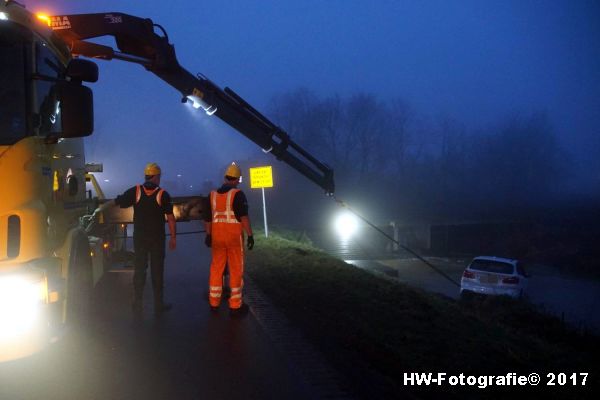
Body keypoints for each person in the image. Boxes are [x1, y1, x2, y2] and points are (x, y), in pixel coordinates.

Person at [94, 162, 176, 315]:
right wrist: (173, 237)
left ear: (146, 176)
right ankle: (159, 305)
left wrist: (100, 208)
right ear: (156, 177)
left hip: (140, 239)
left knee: (140, 270)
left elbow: (117, 201)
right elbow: (170, 218)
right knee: (157, 271)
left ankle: (137, 303)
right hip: (157, 240)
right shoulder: (163, 195)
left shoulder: (136, 191)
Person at [204, 162, 254, 316]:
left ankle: (214, 303)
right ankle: (235, 305)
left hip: (217, 239)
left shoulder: (212, 195)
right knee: (236, 269)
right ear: (237, 179)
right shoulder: (238, 194)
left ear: (225, 178)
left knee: (216, 268)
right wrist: (250, 235)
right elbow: (243, 217)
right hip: (233, 239)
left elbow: (207, 218)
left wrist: (208, 235)